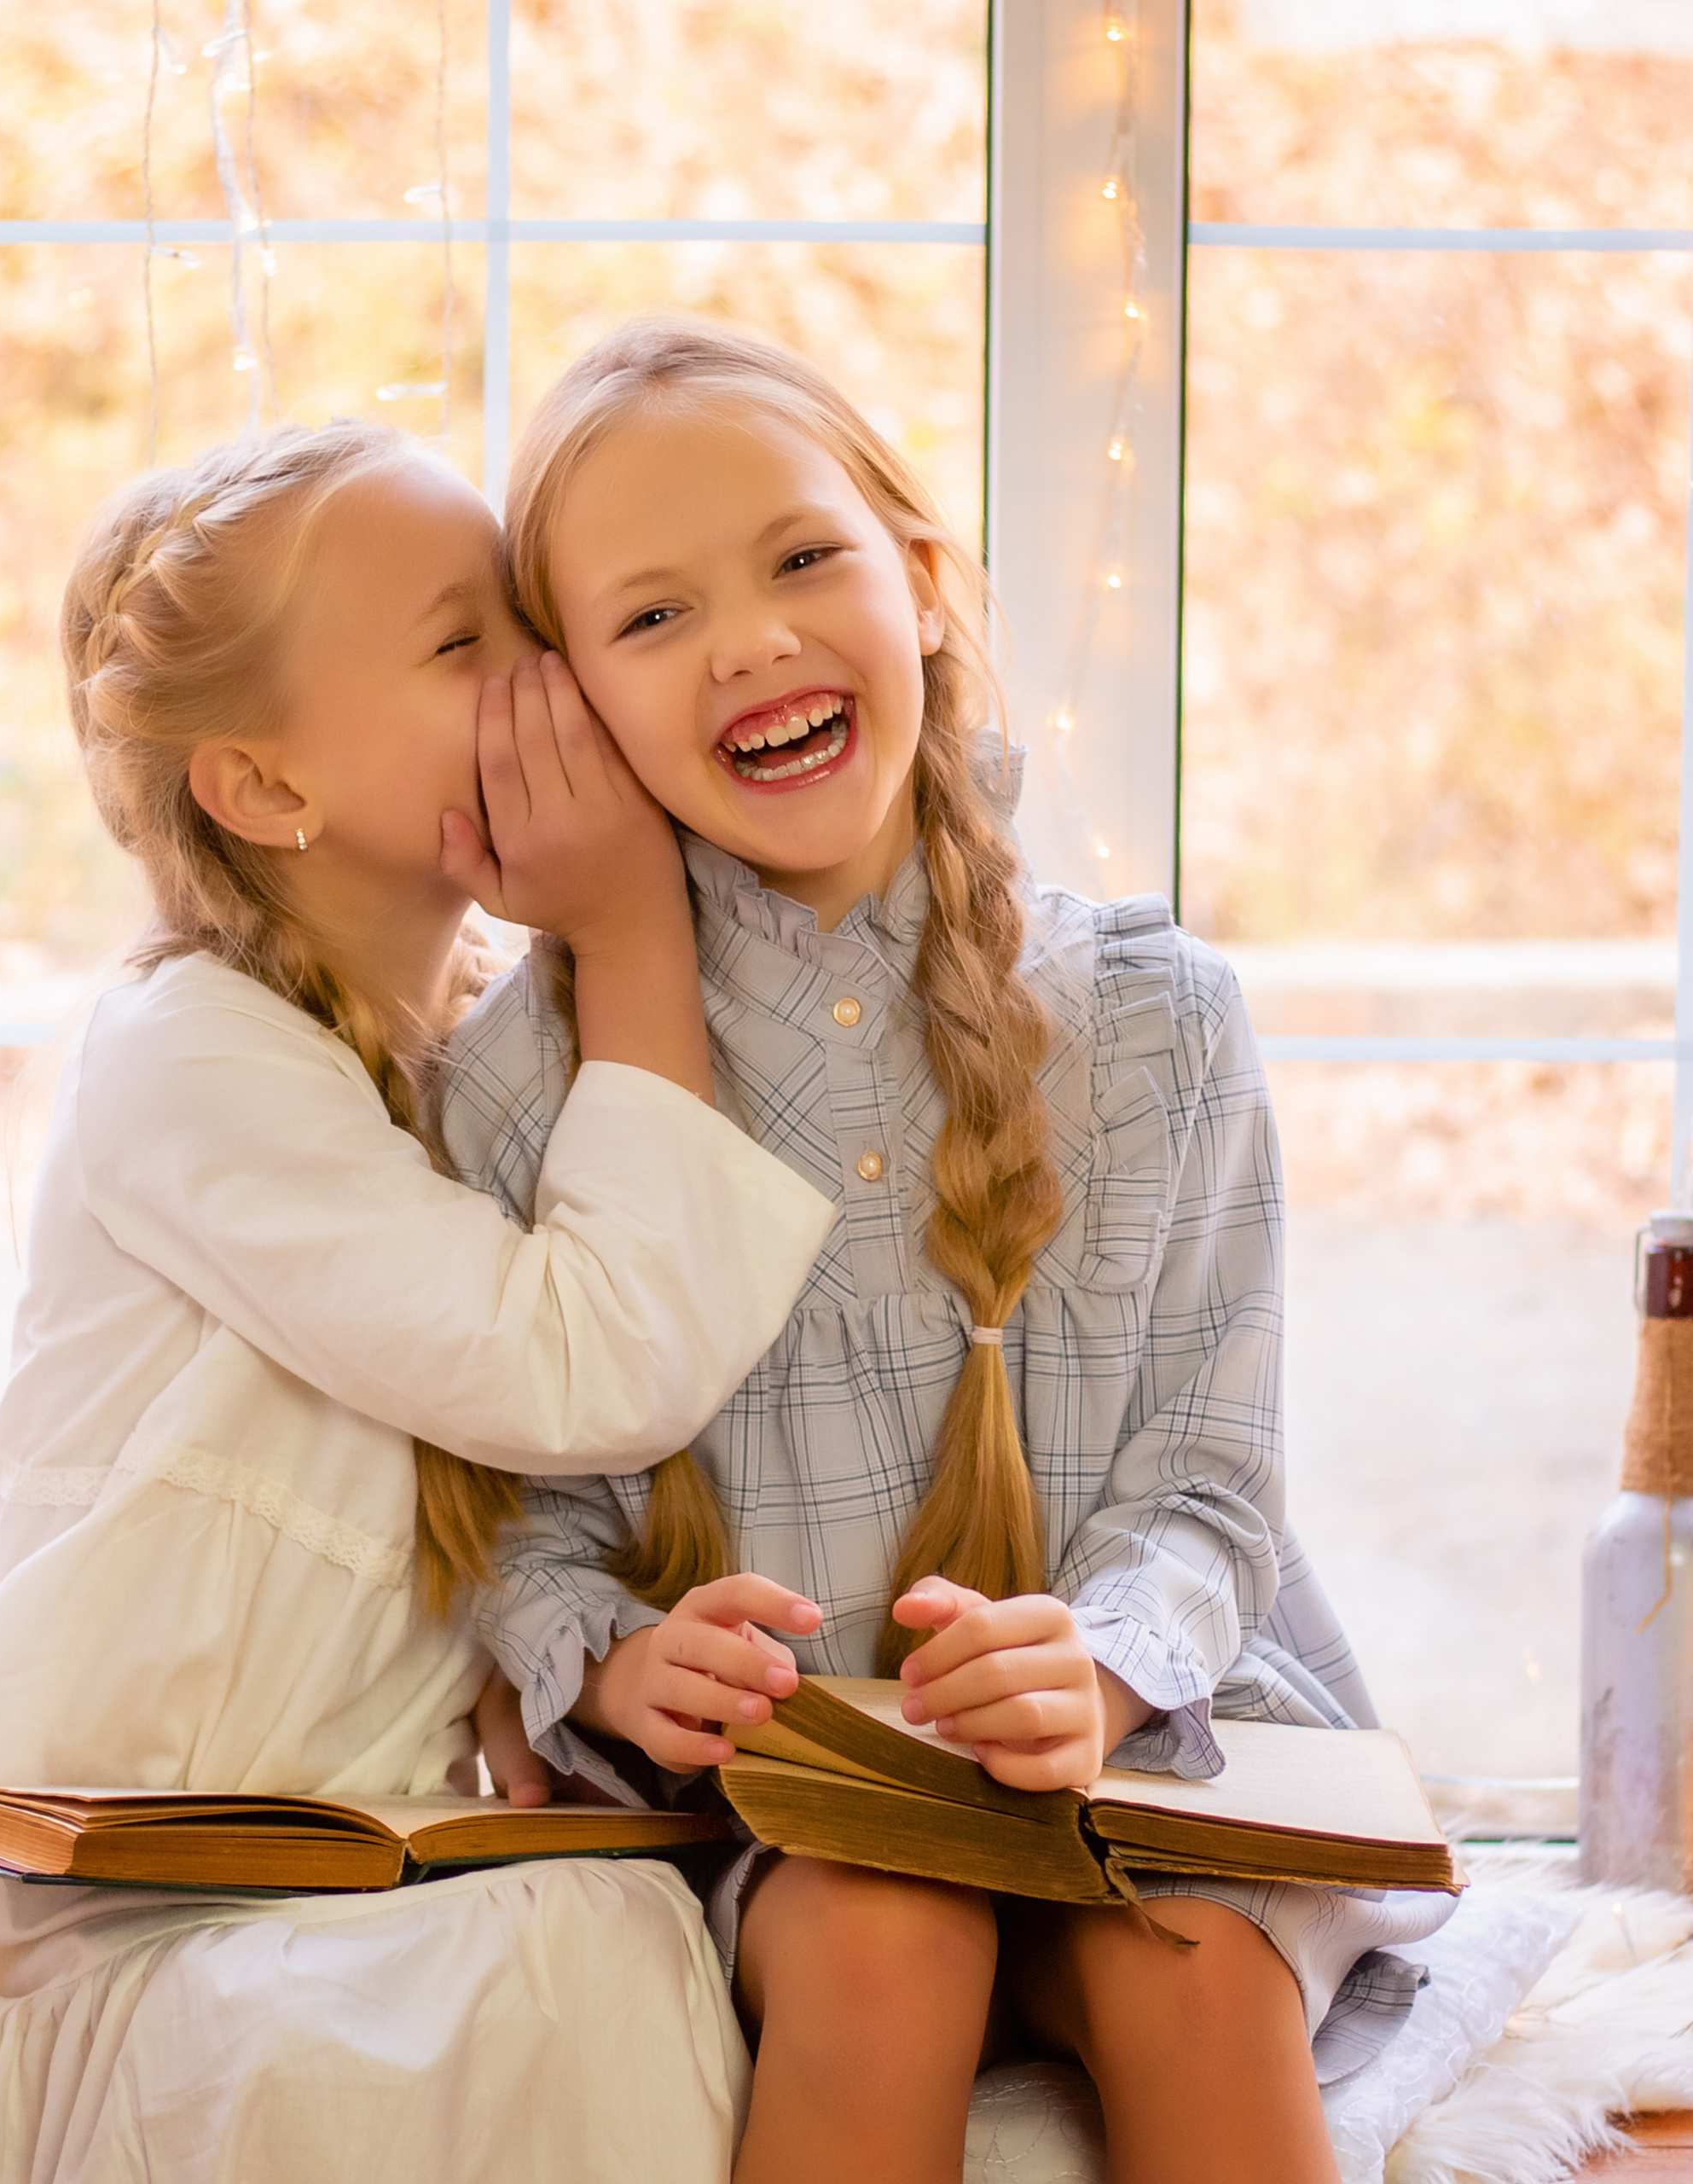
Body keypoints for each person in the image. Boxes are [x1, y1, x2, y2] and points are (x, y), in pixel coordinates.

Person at [0, 421, 834, 2183]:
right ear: (260, 788)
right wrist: (632, 926)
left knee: (595, 1940)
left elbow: (517, 1475)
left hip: (359, 1824)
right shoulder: (190, 1056)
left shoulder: (467, 1050)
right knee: (522, 1979)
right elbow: (579, 1361)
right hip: (125, 1882)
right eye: (463, 637)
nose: (538, 667)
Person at [439, 321, 1454, 2184]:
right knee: (881, 1938)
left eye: (800, 559)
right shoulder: (528, 1086)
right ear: (572, 701)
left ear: (915, 583)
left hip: (1144, 1765)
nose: (746, 639)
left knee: (1195, 1976)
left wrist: (1108, 1658)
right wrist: (607, 1658)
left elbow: (1208, 1486)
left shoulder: (1154, 1017)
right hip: (798, 1824)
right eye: (650, 619)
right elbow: (519, 1507)